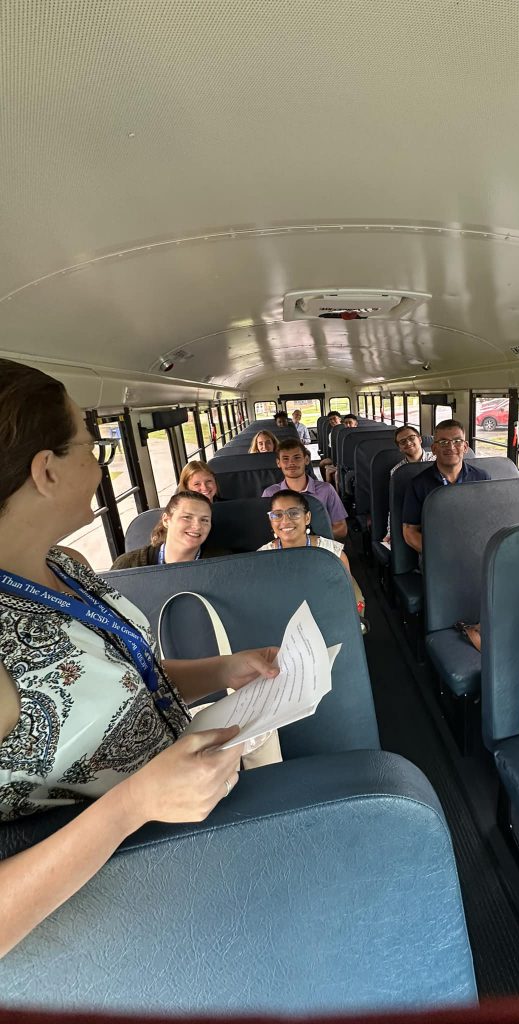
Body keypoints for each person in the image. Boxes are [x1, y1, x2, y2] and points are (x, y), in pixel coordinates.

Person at [0, 358, 279, 956]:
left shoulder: (65, 565)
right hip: (121, 897)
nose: (100, 461)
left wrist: (220, 671)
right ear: (46, 471)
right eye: (89, 442)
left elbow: (122, 682)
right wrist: (135, 805)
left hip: (188, 820)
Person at [259, 492, 364, 617]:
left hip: (327, 613)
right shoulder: (261, 557)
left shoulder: (333, 553)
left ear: (307, 517)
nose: (285, 521)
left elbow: (344, 595)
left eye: (294, 513)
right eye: (277, 515)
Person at [401, 419, 490, 554]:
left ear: (465, 447)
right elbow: (409, 532)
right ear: (434, 449)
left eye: (457, 441)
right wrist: (439, 555)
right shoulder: (418, 484)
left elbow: (488, 521)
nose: (451, 447)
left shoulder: (482, 478)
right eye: (443, 442)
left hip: (475, 548)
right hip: (436, 552)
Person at [111, 492, 229, 569]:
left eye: (204, 520)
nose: (197, 526)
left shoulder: (225, 562)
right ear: (166, 520)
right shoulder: (126, 566)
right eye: (187, 517)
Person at [262, 439, 348, 540]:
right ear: (278, 463)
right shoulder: (270, 493)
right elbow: (265, 531)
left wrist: (307, 540)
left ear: (306, 460)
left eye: (297, 458)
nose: (291, 463)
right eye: (285, 459)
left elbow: (341, 529)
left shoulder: (326, 490)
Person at [380, 426, 436, 546]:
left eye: (411, 438)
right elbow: (395, 504)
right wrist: (390, 532)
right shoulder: (397, 472)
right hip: (414, 518)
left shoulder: (437, 460)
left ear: (420, 439)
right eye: (403, 442)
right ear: (400, 448)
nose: (408, 443)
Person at [319, 411, 342, 481]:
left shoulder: (348, 429)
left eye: (334, 418)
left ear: (340, 419)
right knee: (322, 463)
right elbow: (332, 450)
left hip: (344, 458)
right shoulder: (331, 434)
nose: (332, 421)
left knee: (328, 470)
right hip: (335, 457)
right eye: (330, 419)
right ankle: (325, 482)